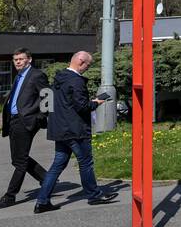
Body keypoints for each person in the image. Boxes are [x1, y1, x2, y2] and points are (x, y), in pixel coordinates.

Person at [34, 51, 119, 213]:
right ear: (81, 62)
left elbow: (57, 103)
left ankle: (42, 201)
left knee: (57, 165)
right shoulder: (76, 81)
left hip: (60, 130)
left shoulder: (59, 78)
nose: (88, 68)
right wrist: (96, 101)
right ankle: (94, 195)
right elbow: (82, 107)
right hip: (75, 130)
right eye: (88, 65)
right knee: (86, 163)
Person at [0, 47, 49, 209]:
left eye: (21, 59)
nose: (17, 62)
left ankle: (10, 196)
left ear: (29, 59)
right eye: (15, 59)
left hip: (27, 121)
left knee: (20, 162)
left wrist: (40, 118)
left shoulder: (37, 75)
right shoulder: (19, 76)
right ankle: (46, 178)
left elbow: (48, 96)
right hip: (14, 121)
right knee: (17, 159)